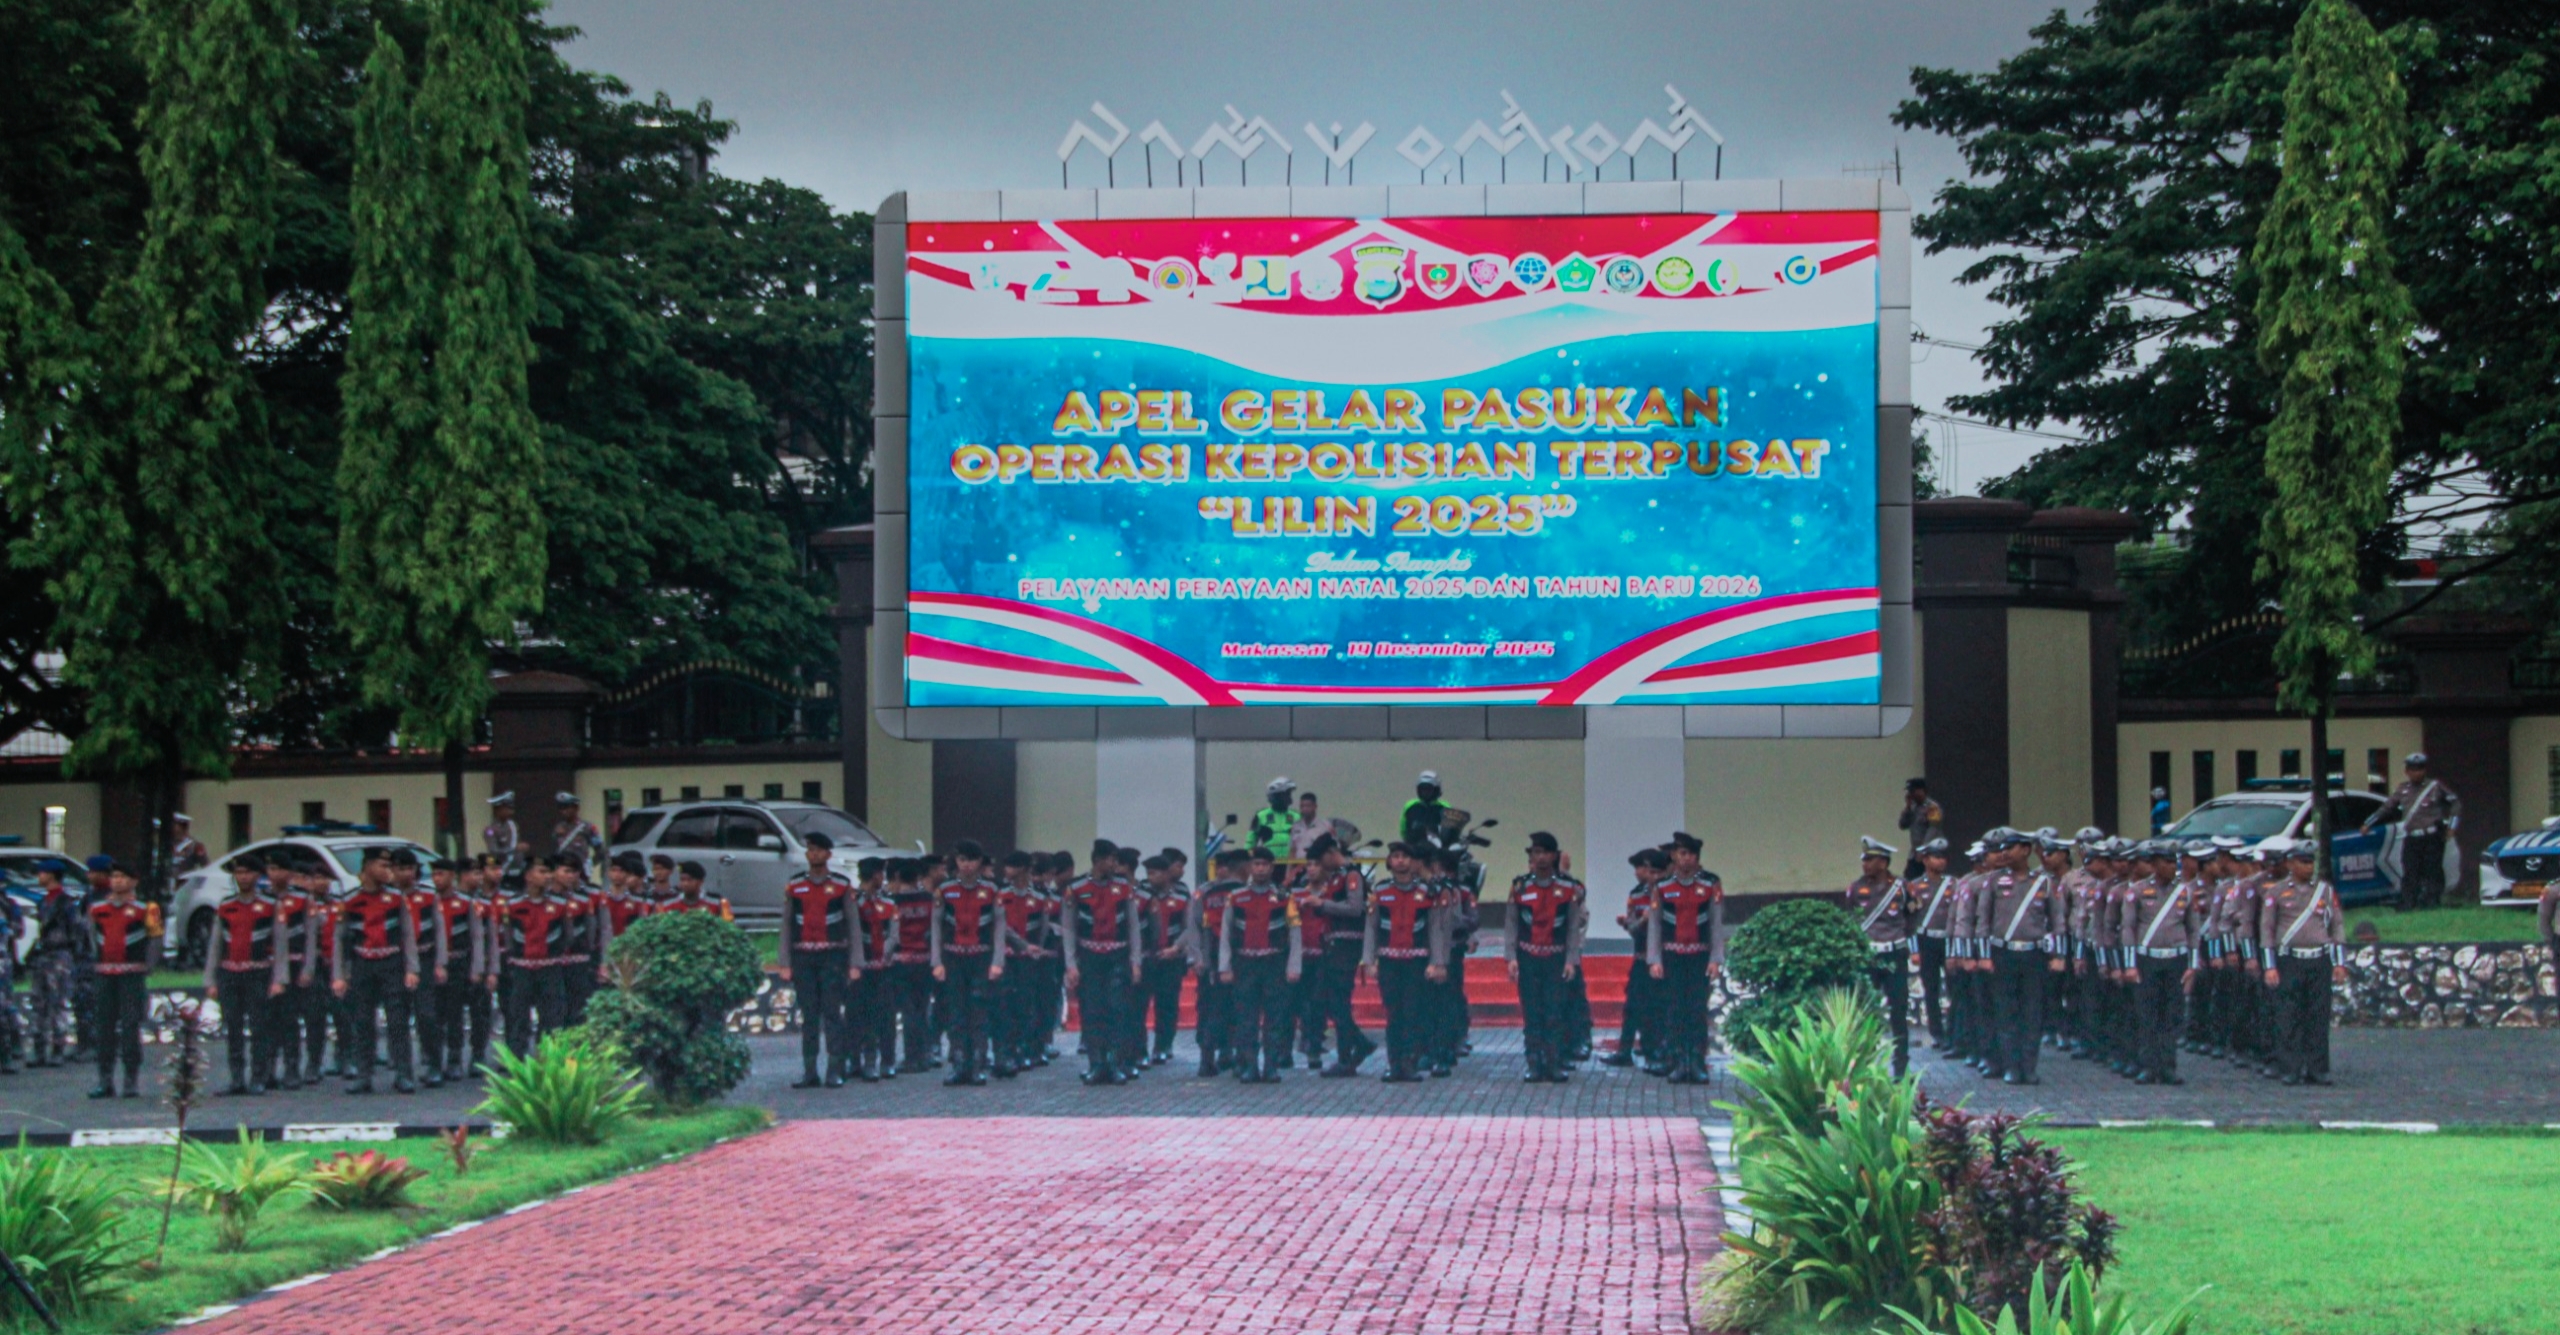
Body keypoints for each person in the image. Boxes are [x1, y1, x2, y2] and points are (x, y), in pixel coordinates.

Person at [331, 847, 425, 1095]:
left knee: (398, 1020)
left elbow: (407, 935)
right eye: (383, 866)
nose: (388, 871)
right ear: (368, 867)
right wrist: (339, 975)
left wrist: (412, 969)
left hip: (391, 962)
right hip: (363, 964)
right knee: (362, 1021)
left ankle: (404, 1074)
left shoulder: (395, 898)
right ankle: (364, 1074)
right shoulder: (350, 900)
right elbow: (339, 939)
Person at [1977, 829, 2066, 1085]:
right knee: (2006, 1011)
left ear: (2026, 850)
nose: (2005, 853)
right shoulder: (1994, 881)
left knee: (2032, 1012)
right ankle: (2011, 1067)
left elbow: (2057, 921)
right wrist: (1984, 955)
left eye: (2011, 848)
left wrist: (2058, 955)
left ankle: (2029, 1067)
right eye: (2003, 848)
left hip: (2034, 954)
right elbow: (1983, 921)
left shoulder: (2043, 883)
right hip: (2003, 953)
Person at [2258, 840, 2345, 1085]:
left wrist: (2339, 962)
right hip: (2289, 960)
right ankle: (2290, 1067)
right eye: (2304, 862)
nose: (2309, 867)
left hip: (2319, 959)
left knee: (2318, 1015)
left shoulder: (2324, 891)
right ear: (2291, 863)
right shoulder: (2276, 892)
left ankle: (2317, 1068)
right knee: (2288, 1015)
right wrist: (2270, 966)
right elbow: (2267, 930)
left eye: (2311, 862)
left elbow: (2336, 925)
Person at [1362, 842, 1450, 1083]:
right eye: (1396, 856)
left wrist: (1437, 961)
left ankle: (1410, 1063)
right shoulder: (1380, 891)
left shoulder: (1427, 892)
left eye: (1405, 856)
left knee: (1413, 1013)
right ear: (1389, 862)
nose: (1400, 860)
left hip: (1416, 962)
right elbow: (1371, 927)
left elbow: (1435, 929)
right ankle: (1394, 1065)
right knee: (1393, 1014)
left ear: (1412, 862)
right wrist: (1369, 960)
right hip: (1389, 961)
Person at [1504, 832, 1587, 1083]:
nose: (1540, 858)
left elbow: (1573, 927)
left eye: (1545, 853)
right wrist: (1511, 957)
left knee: (1555, 1013)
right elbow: (1511, 924)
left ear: (1554, 856)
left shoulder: (1568, 888)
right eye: (1535, 853)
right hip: (1528, 958)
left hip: (1555, 959)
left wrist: (1571, 960)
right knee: (1532, 1013)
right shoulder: (1520, 887)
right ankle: (1534, 1063)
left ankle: (1553, 1063)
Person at [2119, 841, 2203, 1085]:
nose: (2171, 867)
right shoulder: (2136, 891)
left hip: (2176, 958)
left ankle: (2168, 1066)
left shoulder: (2185, 892)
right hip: (2147, 958)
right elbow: (2128, 928)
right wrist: (2130, 965)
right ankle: (2148, 1066)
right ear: (2154, 864)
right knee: (2147, 1014)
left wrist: (2192, 964)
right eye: (2166, 862)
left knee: (2171, 1014)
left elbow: (2193, 930)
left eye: (2173, 862)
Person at [202, 858, 287, 1095]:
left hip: (258, 972)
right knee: (233, 1027)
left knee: (260, 1027)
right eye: (239, 873)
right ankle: (237, 1078)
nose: (243, 877)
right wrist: (210, 979)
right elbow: (215, 945)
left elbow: (280, 944)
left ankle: (259, 1076)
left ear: (257, 876)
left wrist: (279, 979)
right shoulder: (226, 906)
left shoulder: (271, 905)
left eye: (248, 873)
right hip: (230, 973)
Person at [1062, 842, 1144, 1085]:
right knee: (1092, 1010)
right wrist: (1070, 964)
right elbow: (1068, 929)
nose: (1114, 865)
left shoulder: (1124, 888)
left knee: (1118, 1010)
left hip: (1118, 955)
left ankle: (1115, 1063)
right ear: (1097, 860)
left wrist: (1135, 961)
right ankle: (1096, 1064)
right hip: (1089, 957)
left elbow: (1133, 927)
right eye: (1110, 860)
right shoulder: (1076, 888)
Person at [1218, 848, 1303, 1083]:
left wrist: (1294, 966)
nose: (1260, 869)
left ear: (1272, 868)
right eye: (1256, 864)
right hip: (1244, 964)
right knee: (1246, 1018)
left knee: (1275, 1017)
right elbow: (1225, 933)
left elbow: (1295, 932)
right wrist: (1224, 966)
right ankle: (1250, 1066)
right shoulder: (1236, 897)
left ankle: (1271, 1066)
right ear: (1250, 867)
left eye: (1265, 864)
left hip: (1274, 963)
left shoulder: (1284, 897)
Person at [779, 832, 856, 1088]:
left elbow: (853, 926)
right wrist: (784, 962)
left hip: (833, 956)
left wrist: (855, 963)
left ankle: (835, 1069)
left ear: (828, 854)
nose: (814, 854)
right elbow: (786, 925)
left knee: (832, 1013)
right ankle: (810, 1071)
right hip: (803, 957)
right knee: (809, 1015)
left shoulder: (842, 886)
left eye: (819, 850)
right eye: (811, 850)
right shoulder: (795, 885)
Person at [1647, 835, 1725, 1085]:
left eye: (1691, 854)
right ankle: (1679, 1062)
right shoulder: (1662, 886)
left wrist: (1716, 958)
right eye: (1682, 854)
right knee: (1675, 1010)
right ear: (1674, 856)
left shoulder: (1710, 883)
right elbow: (1655, 925)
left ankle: (1698, 1063)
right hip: (1672, 957)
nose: (1686, 859)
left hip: (1699, 956)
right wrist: (1654, 959)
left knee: (1697, 1010)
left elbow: (1715, 923)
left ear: (1697, 857)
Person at [929, 841, 1007, 1086]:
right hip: (953, 958)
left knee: (978, 1013)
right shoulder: (945, 890)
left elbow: (999, 928)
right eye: (962, 860)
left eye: (971, 860)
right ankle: (959, 1064)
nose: (967, 865)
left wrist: (997, 961)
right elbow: (936, 927)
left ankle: (977, 1065)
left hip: (981, 958)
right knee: (956, 1013)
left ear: (980, 862)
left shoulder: (992, 890)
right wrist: (936, 961)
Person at [1299, 836, 1375, 1077]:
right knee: (1326, 1000)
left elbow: (1355, 908)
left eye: (1321, 859)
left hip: (1346, 945)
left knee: (1338, 1001)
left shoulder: (1352, 876)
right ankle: (1357, 1046)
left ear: (1332, 853)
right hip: (1331, 945)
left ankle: (1347, 1055)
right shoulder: (1335, 877)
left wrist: (1321, 904)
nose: (1320, 865)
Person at [84, 861, 159, 1098]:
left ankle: (130, 1080)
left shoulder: (146, 909)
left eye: (123, 877)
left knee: (130, 1026)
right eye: (114, 876)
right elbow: (91, 937)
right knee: (104, 1027)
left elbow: (155, 939)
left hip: (132, 975)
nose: (117, 881)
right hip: (104, 974)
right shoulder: (96, 909)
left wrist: (148, 966)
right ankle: (105, 1080)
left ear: (134, 881)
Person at [1844, 837, 1912, 1077]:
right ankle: (1867, 1067)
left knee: (1898, 1011)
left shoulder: (1902, 887)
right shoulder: (1855, 888)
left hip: (1894, 954)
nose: (1865, 864)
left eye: (1870, 860)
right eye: (1864, 860)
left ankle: (1901, 1067)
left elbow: (1913, 916)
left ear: (1883, 863)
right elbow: (1851, 919)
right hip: (1868, 956)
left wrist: (1904, 939)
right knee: (1865, 1011)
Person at [390, 849, 452, 1088]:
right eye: (401, 869)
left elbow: (440, 932)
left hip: (425, 958)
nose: (406, 873)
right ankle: (402, 1069)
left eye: (410, 868)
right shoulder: (389, 898)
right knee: (397, 1017)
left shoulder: (428, 896)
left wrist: (440, 963)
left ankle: (434, 1063)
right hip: (396, 961)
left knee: (427, 1015)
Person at [2368, 752, 2460, 912]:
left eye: (2420, 769)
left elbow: (2455, 804)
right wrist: (2368, 823)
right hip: (2412, 837)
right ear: (2407, 771)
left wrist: (2452, 827)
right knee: (2410, 870)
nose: (2416, 772)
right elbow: (2387, 807)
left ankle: (2432, 902)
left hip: (2432, 836)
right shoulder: (2403, 789)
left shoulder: (2435, 787)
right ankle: (2408, 903)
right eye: (2413, 769)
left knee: (2433, 870)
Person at [25, 861, 85, 1069]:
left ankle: (58, 1049)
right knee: (38, 1003)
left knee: (58, 1002)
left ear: (52, 875)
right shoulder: (44, 902)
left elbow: (76, 932)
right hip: (43, 956)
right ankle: (39, 1049)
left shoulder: (66, 903)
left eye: (42, 873)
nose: (39, 876)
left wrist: (72, 956)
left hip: (60, 956)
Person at [1608, 849, 1663, 1071]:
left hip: (1664, 959)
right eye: (1648, 870)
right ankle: (1625, 1051)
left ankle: (1656, 1051)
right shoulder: (1637, 895)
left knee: (1657, 1008)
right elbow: (1632, 928)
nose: (1648, 875)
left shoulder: (1669, 892)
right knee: (1632, 1005)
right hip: (1641, 958)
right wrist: (1642, 921)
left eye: (1653, 871)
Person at [1136, 854, 1193, 1068]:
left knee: (1167, 1004)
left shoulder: (1181, 897)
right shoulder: (1140, 897)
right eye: (1148, 873)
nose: (1150, 878)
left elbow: (1189, 927)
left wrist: (1176, 948)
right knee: (1139, 1005)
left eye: (1155, 873)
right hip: (1146, 957)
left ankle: (1163, 1046)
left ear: (1166, 874)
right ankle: (1139, 1050)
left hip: (1171, 957)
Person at [886, 859, 938, 1073]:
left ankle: (911, 1057)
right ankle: (925, 1055)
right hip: (925, 960)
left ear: (898, 878)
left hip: (901, 961)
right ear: (918, 878)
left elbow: (891, 933)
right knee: (923, 1007)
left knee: (908, 1011)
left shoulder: (893, 902)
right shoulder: (930, 900)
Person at [848, 857, 897, 1082]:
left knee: (884, 1015)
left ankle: (885, 1061)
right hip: (860, 967)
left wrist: (883, 955)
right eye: (881, 874)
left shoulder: (888, 902)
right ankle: (856, 1061)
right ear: (876, 875)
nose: (882, 878)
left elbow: (893, 934)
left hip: (883, 967)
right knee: (857, 1015)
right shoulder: (853, 902)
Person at [1907, 839, 1956, 1050]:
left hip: (1948, 940)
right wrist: (1914, 949)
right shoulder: (1915, 886)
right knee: (1931, 988)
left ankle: (1954, 1031)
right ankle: (1937, 1033)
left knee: (1955, 987)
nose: (1941, 861)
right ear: (1925, 860)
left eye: (1943, 857)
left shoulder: (1953, 884)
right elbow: (1910, 920)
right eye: (1936, 857)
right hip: (1926, 941)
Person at [1896, 780, 1943, 880]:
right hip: (1914, 852)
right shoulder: (1913, 807)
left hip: (1928, 852)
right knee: (1909, 878)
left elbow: (1933, 829)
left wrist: (1923, 850)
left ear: (1921, 790)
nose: (1911, 794)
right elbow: (1902, 825)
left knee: (1927, 878)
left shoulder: (1932, 807)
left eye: (1913, 791)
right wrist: (1908, 808)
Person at [551, 791, 604, 877]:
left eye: (567, 807)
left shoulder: (587, 827)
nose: (564, 811)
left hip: (580, 872)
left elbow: (601, 851)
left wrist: (589, 865)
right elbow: (554, 851)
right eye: (561, 808)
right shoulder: (558, 828)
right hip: (562, 872)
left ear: (576, 808)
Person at [1248, 777, 1299, 860]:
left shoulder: (1296, 816)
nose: (1289, 797)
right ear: (1276, 796)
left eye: (1289, 794)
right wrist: (1247, 858)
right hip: (1269, 862)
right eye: (1286, 794)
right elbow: (1250, 841)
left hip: (1291, 863)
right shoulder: (1261, 816)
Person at [1398, 771, 1450, 851]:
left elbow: (1451, 829)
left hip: (1438, 849)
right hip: (1414, 848)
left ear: (1436, 790)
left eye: (1428, 789)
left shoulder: (1444, 807)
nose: (1425, 792)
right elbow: (1403, 830)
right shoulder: (1410, 805)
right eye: (1423, 789)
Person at [483, 792, 523, 874]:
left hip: (517, 867)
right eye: (507, 809)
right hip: (501, 869)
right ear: (498, 810)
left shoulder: (513, 826)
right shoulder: (490, 830)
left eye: (511, 809)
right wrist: (513, 849)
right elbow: (493, 850)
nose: (511, 812)